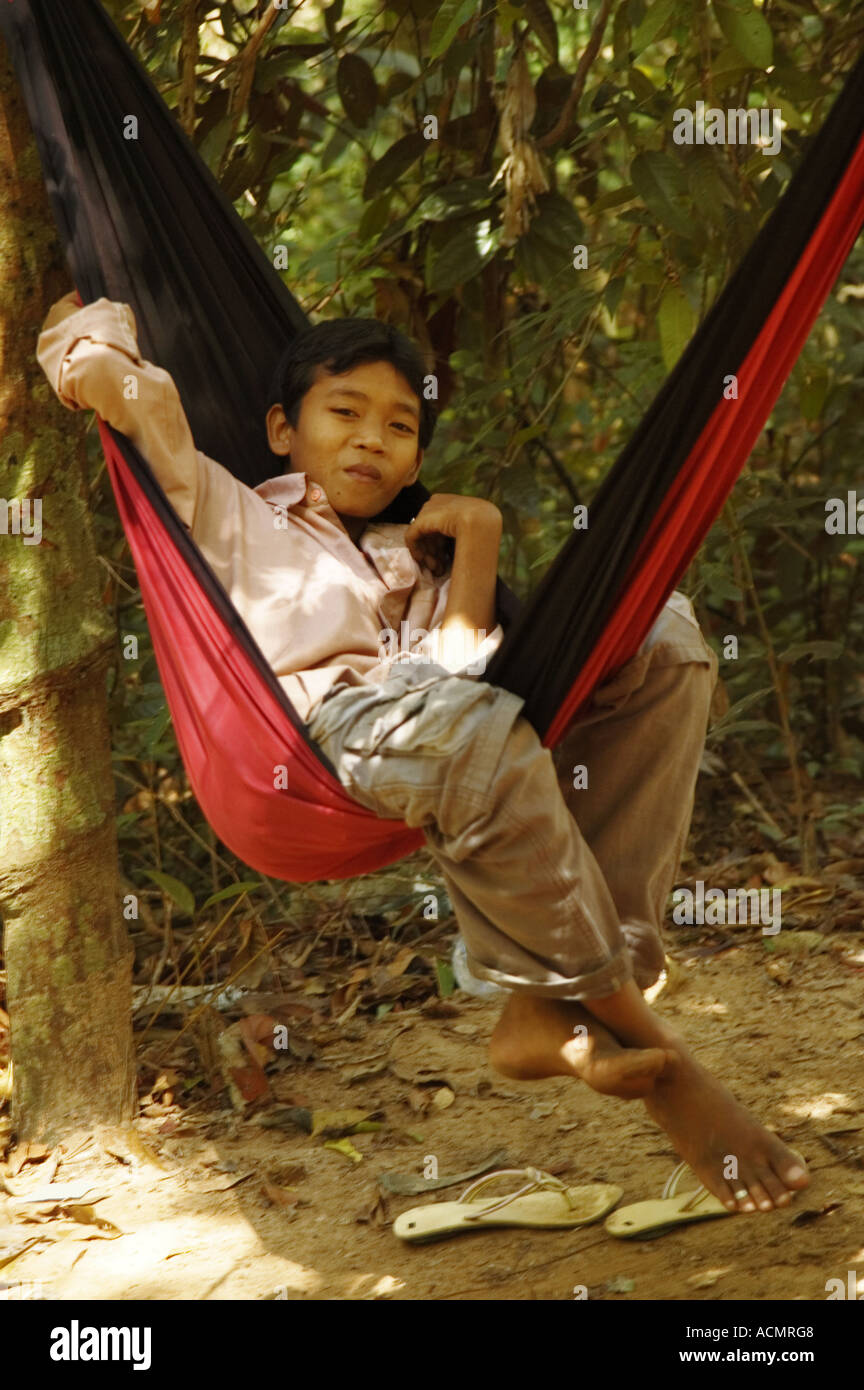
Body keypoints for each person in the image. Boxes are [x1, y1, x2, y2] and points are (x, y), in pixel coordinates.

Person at [36, 293, 810, 1215]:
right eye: (345, 412)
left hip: (443, 720)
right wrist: (85, 304)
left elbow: (462, 670)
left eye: (400, 426)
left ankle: (546, 1006)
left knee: (668, 637)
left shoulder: (422, 553)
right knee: (472, 733)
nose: (373, 438)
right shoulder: (220, 503)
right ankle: (662, 1059)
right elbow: (116, 386)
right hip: (318, 737)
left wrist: (475, 537)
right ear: (284, 430)